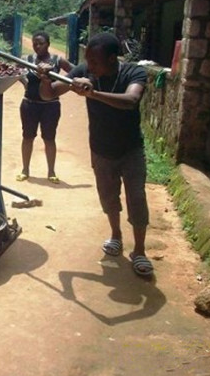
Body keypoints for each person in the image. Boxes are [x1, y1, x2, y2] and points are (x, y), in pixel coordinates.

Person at [38, 32, 153, 277]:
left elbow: (131, 100)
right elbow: (50, 94)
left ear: (112, 59)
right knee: (108, 196)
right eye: (88, 61)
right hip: (100, 150)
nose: (89, 67)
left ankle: (140, 251)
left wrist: (93, 94)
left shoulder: (134, 72)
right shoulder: (84, 70)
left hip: (131, 149)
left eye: (95, 62)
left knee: (137, 199)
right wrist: (45, 79)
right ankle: (116, 236)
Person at [16, 31, 73, 184]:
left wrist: (60, 85)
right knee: (27, 137)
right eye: (35, 44)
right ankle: (25, 170)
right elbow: (14, 70)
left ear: (48, 44)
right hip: (29, 105)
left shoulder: (57, 60)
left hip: (51, 106)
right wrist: (24, 82)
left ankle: (51, 172)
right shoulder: (27, 60)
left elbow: (75, 72)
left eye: (41, 43)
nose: (37, 46)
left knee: (49, 138)